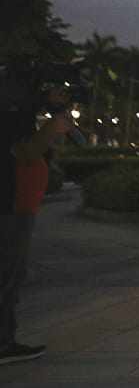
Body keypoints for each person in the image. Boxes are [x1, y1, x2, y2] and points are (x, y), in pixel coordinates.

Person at [2, 85, 73, 366]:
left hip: (18, 205)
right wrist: (53, 127)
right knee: (8, 275)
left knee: (11, 274)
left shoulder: (17, 110)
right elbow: (24, 152)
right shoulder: (10, 113)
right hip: (11, 205)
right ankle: (3, 343)